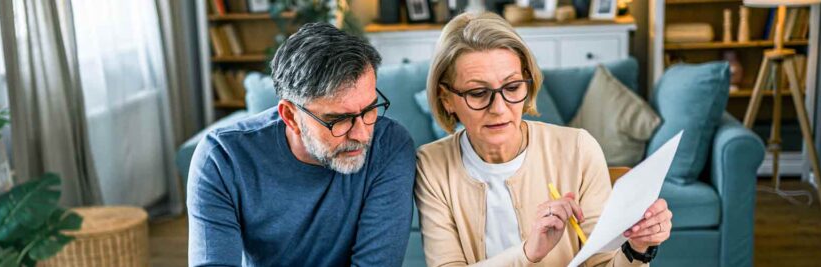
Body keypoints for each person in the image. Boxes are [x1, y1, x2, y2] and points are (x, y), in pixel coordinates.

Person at [415, 12, 672, 266]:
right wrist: (527, 253)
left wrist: (637, 250)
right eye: (479, 92)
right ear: (446, 98)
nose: (499, 108)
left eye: (513, 87)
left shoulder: (579, 149)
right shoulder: (432, 164)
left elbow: (603, 263)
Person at [187, 22, 415, 266]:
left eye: (370, 110)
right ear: (290, 116)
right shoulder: (222, 158)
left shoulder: (390, 146)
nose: (362, 134)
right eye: (339, 119)